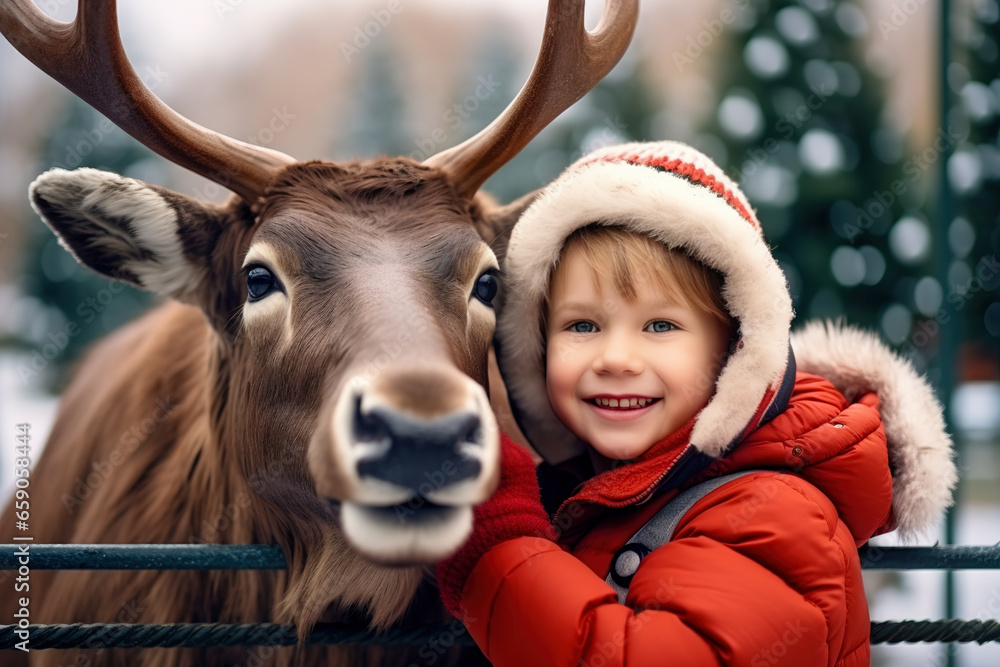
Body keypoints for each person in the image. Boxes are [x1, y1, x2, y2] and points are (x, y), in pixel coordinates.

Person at [435, 141, 957, 667]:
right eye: (583, 325)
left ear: (735, 347)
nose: (616, 359)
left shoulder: (775, 513)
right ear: (539, 347)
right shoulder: (591, 496)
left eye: (660, 325)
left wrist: (498, 545)